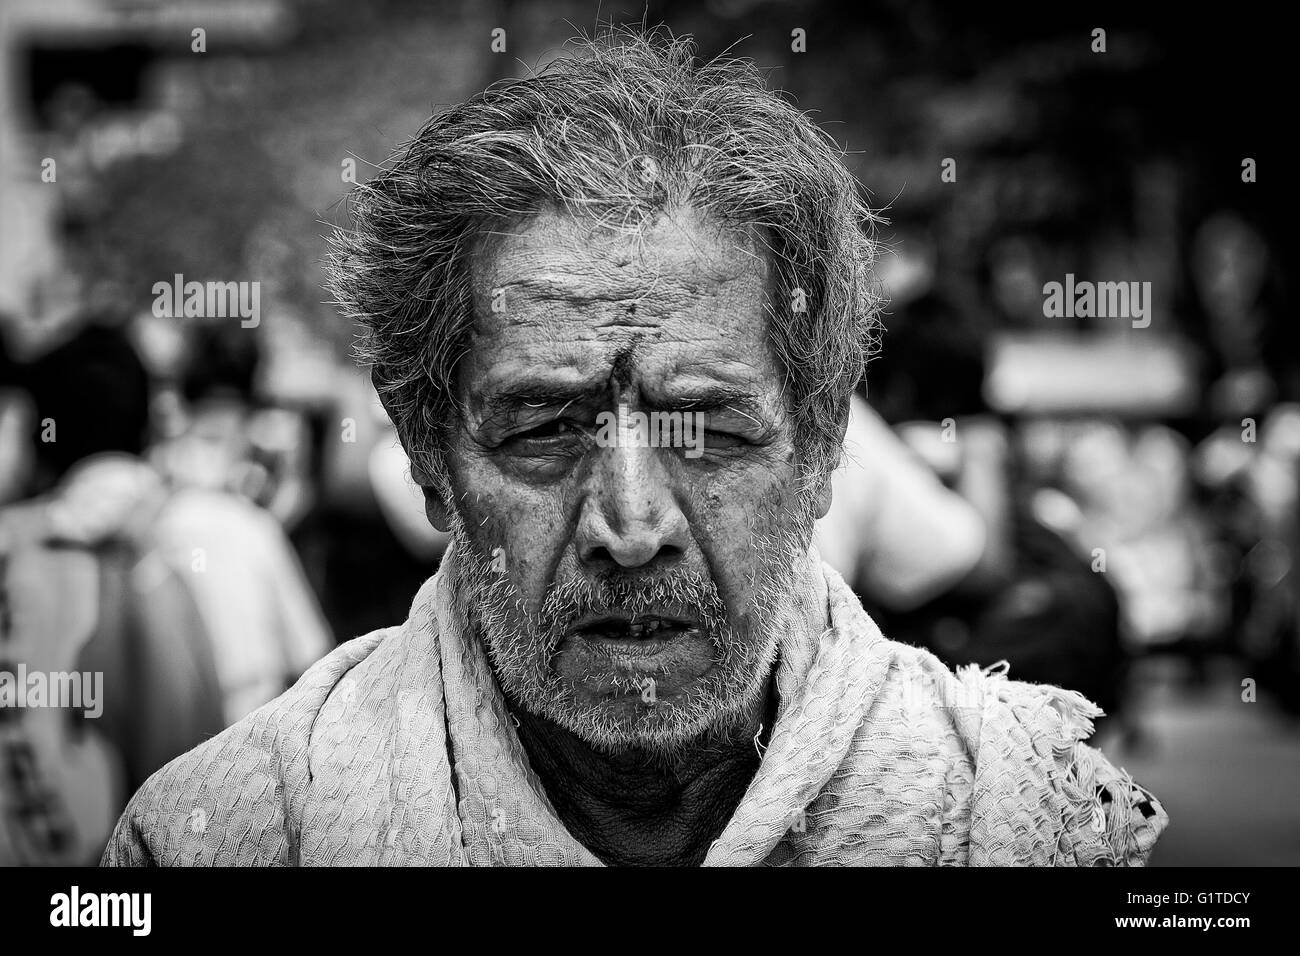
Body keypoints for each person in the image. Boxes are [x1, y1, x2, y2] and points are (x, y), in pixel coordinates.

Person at [102, 29, 1166, 867]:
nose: (631, 524)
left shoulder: (1030, 820)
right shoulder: (232, 831)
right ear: (429, 448)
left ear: (820, 441)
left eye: (701, 427)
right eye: (545, 425)